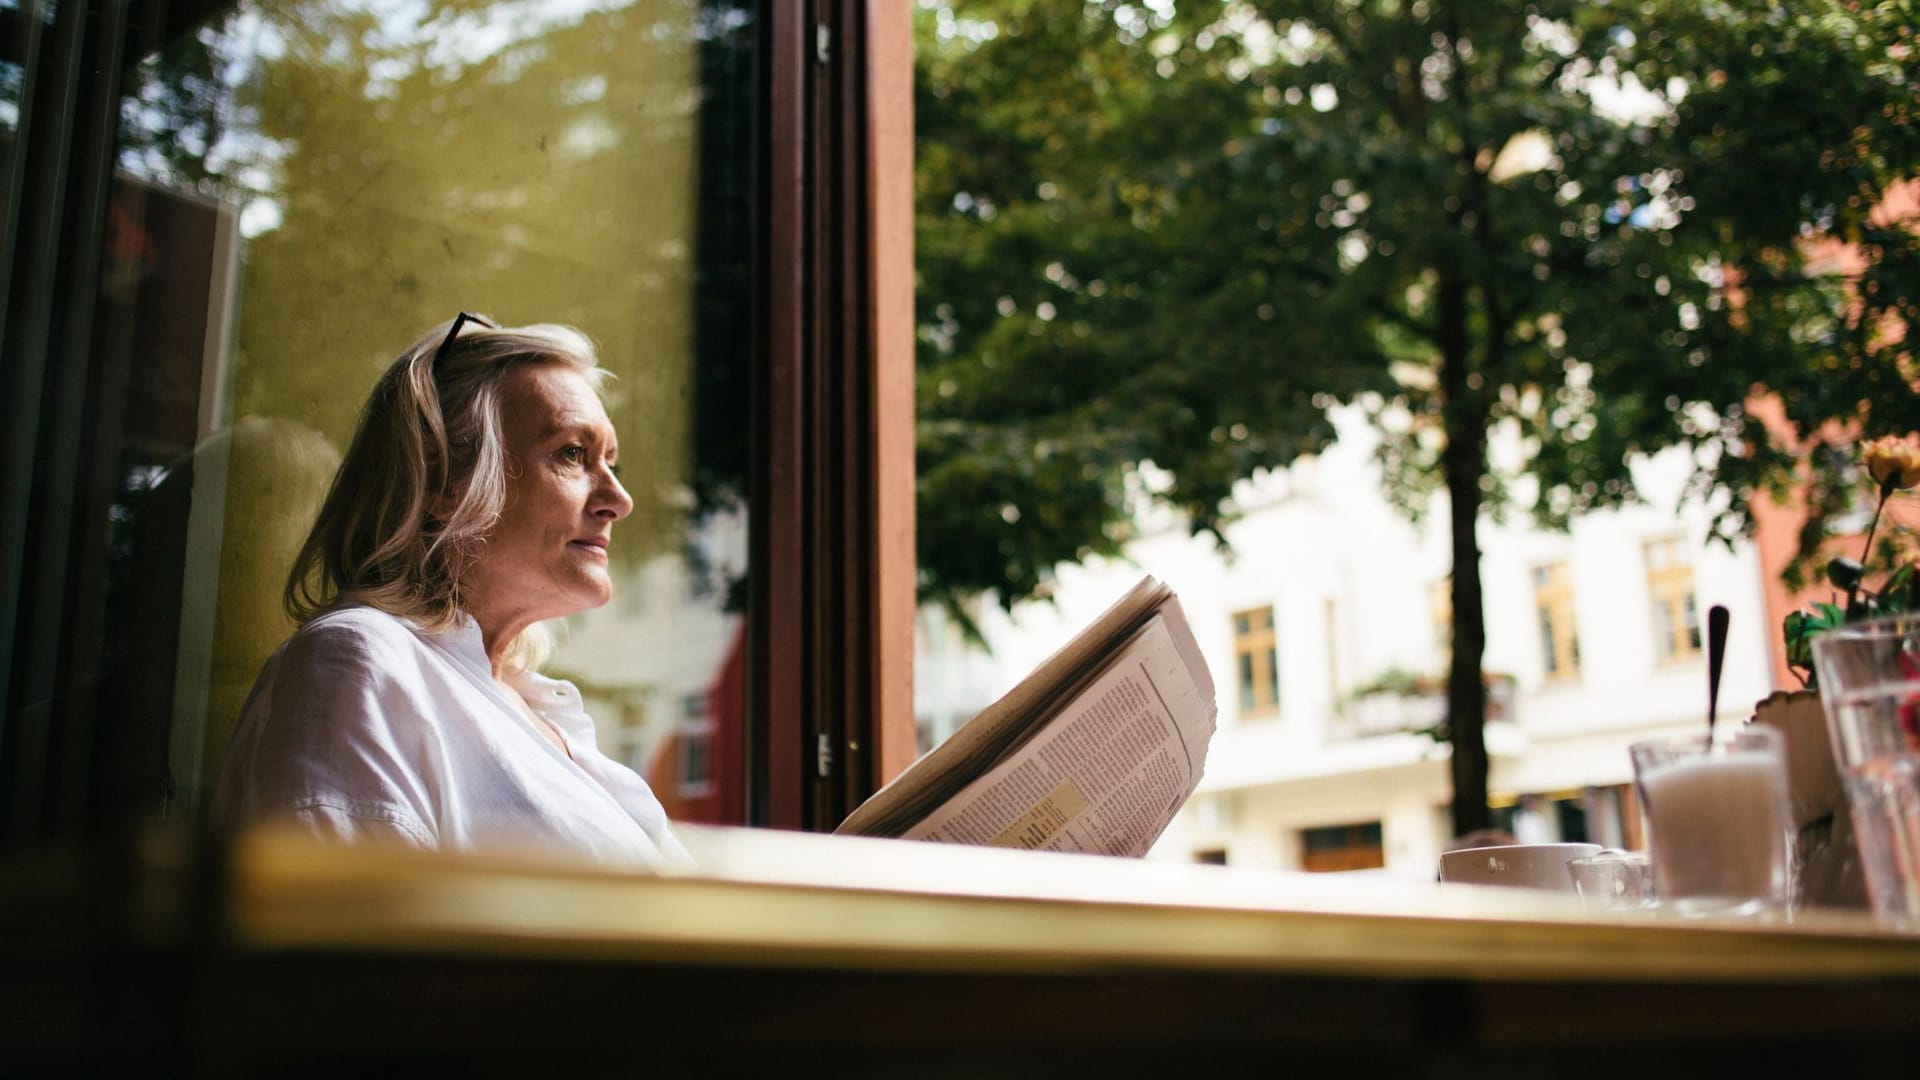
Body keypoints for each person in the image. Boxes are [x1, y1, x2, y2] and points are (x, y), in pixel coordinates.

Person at [214, 313, 688, 869]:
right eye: (571, 454)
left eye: (611, 462)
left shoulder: (538, 707)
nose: (619, 498)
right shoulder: (360, 661)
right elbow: (346, 942)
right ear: (443, 481)